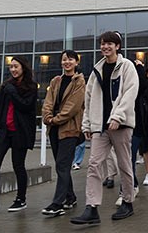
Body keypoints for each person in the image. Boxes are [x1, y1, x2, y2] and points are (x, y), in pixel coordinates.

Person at [70, 31, 139, 225]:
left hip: (121, 125)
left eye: (109, 43)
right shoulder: (96, 70)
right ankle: (92, 208)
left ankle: (128, 202)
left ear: (117, 46)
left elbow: (129, 93)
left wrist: (118, 116)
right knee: (94, 164)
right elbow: (89, 98)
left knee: (124, 164)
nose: (105, 47)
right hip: (100, 126)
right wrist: (87, 124)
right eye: (102, 44)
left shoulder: (127, 67)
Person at [0, 56, 37, 216]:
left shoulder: (31, 86)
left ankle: (21, 199)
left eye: (16, 66)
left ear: (23, 67)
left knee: (18, 166)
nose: (13, 70)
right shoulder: (6, 86)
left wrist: (14, 93)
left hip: (20, 132)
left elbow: (25, 106)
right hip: (3, 131)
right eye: (11, 67)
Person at [40, 50, 86, 216]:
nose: (67, 62)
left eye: (70, 60)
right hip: (54, 128)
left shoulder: (79, 81)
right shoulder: (56, 81)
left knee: (62, 165)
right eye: (64, 60)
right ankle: (70, 197)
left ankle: (57, 203)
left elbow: (73, 106)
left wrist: (56, 119)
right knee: (63, 165)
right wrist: (48, 117)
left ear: (76, 62)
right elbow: (48, 101)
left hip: (70, 128)